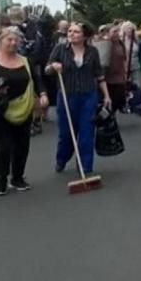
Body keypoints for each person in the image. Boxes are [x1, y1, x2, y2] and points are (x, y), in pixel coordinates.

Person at [0, 27, 47, 195]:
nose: (14, 43)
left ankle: (18, 177)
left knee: (22, 145)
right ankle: (1, 179)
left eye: (16, 40)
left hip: (24, 108)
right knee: (2, 146)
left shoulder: (25, 61)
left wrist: (43, 94)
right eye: (9, 40)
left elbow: (36, 79)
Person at [47, 22, 112, 174]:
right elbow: (47, 68)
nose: (71, 34)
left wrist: (107, 95)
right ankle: (62, 159)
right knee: (66, 134)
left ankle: (85, 166)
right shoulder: (60, 49)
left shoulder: (93, 51)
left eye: (76, 32)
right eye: (70, 31)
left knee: (87, 133)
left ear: (85, 36)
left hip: (88, 96)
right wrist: (53, 66)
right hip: (66, 96)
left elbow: (99, 75)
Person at [103, 24, 131, 113]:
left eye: (118, 31)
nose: (117, 33)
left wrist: (126, 72)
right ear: (108, 33)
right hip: (107, 77)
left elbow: (124, 59)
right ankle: (108, 119)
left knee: (117, 99)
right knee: (108, 100)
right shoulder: (104, 43)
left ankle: (112, 116)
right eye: (114, 31)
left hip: (119, 77)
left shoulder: (120, 43)